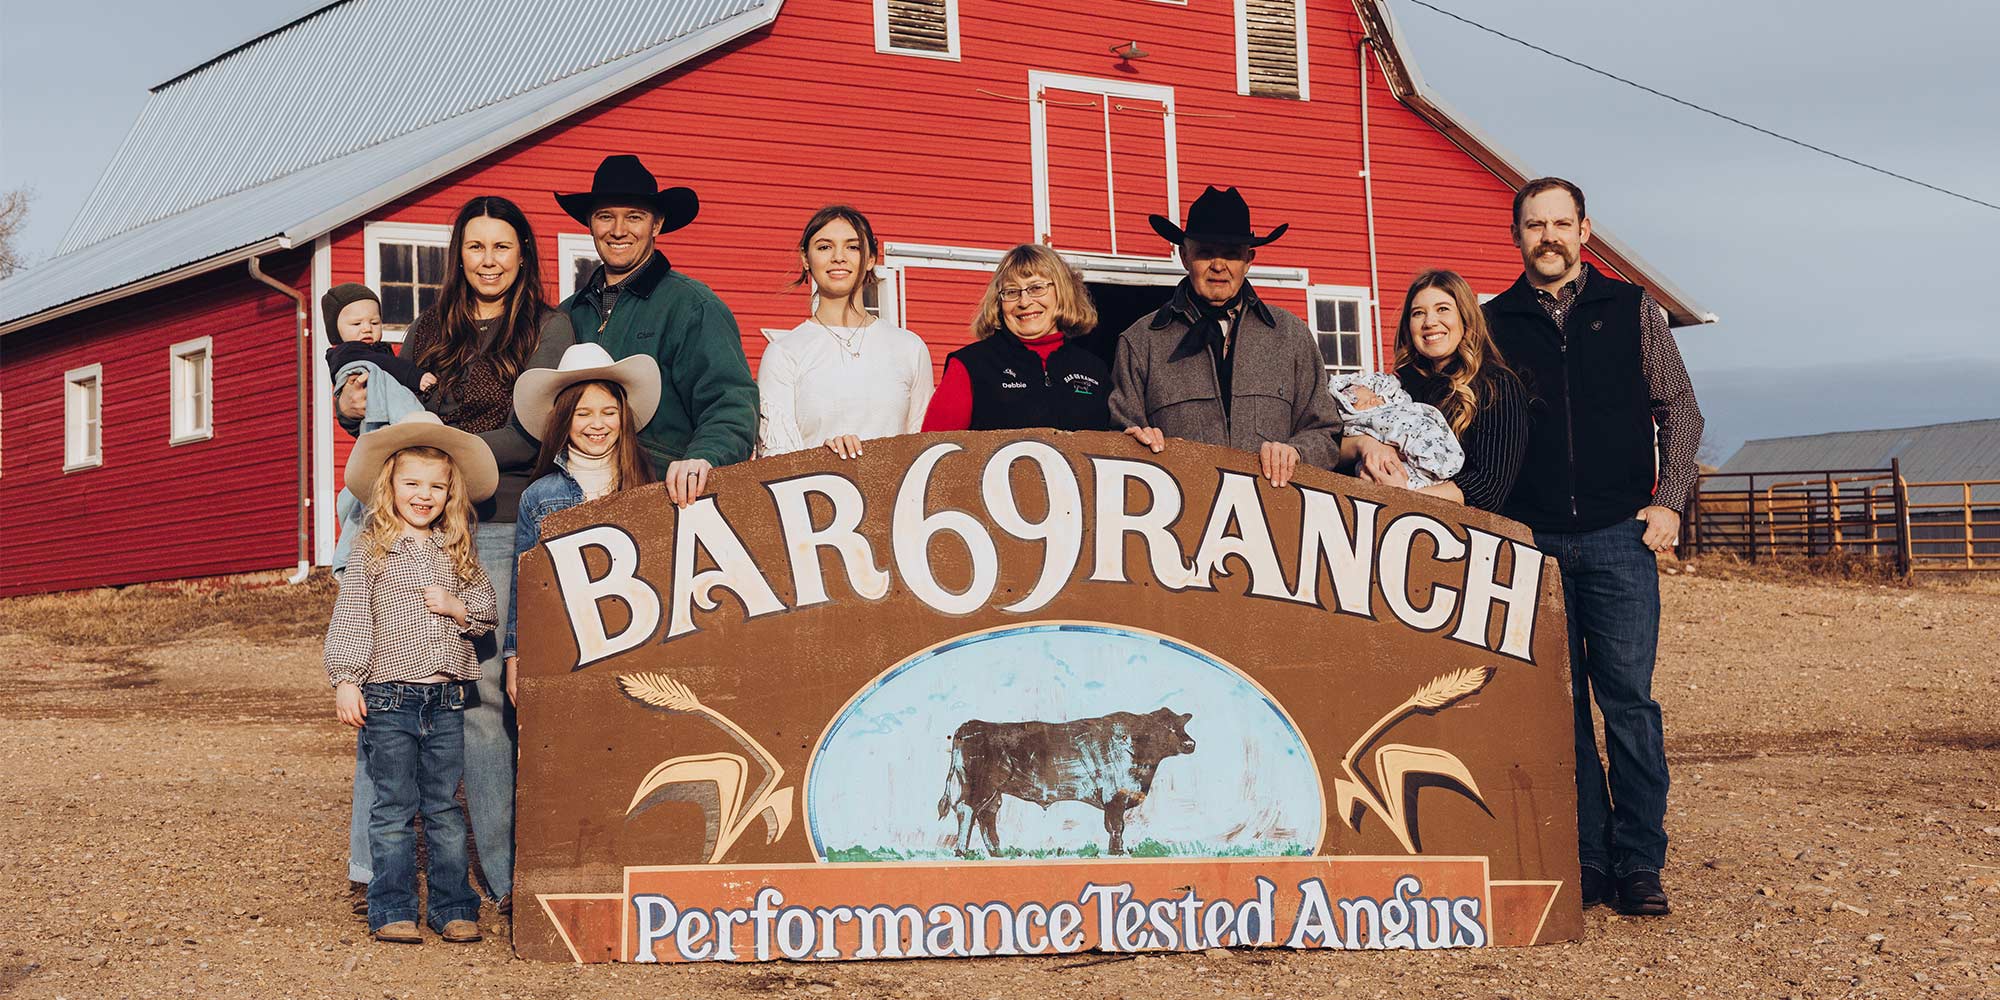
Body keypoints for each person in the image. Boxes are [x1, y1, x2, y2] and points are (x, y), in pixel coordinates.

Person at [333, 194, 571, 920]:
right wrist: (354, 398)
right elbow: (387, 412)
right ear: (458, 254)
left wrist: (450, 456)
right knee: (389, 681)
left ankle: (501, 877)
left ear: (522, 255)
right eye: (476, 247)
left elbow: (536, 430)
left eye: (503, 246)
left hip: (495, 520)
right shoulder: (430, 329)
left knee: (481, 699)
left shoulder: (546, 326)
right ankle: (375, 871)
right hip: (420, 524)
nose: (489, 259)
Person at [1483, 178, 1704, 917]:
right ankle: (1589, 859)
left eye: (1559, 224)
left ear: (1584, 230)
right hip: (1533, 541)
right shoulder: (1495, 322)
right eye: (1533, 225)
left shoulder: (1633, 309)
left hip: (1618, 536)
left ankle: (1642, 863)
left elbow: (1680, 408)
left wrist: (1669, 503)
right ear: (1516, 235)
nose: (1547, 237)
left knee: (1629, 706)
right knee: (1561, 709)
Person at [323, 411, 499, 945]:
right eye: (412, 484)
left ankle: (452, 907)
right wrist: (347, 679)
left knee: (444, 808)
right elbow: (352, 615)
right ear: (390, 487)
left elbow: (487, 609)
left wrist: (458, 607)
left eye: (436, 488)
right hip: (389, 697)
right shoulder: (373, 550)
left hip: (446, 699)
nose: (424, 496)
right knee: (394, 807)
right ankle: (391, 908)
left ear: (451, 495)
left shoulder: (457, 551)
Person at [555, 154, 757, 506]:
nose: (618, 230)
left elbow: (731, 405)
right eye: (606, 216)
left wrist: (703, 458)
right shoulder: (567, 315)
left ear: (656, 224)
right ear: (590, 223)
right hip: (575, 496)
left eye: (634, 217)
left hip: (664, 496)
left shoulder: (692, 306)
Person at [1109, 186, 1341, 488]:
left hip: (1276, 522)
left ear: (1249, 260)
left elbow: (1327, 433)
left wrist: (1297, 452)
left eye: (1231, 254)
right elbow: (1115, 444)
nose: (1218, 265)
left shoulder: (1292, 336)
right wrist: (1134, 442)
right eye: (1205, 252)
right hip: (1180, 525)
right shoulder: (1140, 342)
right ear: (1184, 256)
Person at [500, 343, 660, 703]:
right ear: (564, 419)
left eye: (609, 412)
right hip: (565, 638)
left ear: (624, 416)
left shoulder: (649, 485)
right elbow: (523, 587)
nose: (598, 425)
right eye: (583, 413)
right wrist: (515, 655)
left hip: (638, 639)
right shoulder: (539, 497)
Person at [1344, 269, 1530, 512]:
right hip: (1385, 523)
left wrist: (1403, 496)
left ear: (1465, 317)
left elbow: (1487, 490)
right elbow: (1335, 446)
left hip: (1460, 535)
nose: (1430, 322)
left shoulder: (1497, 385)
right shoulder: (1395, 388)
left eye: (1443, 309)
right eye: (1418, 313)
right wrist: (1367, 445)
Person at [759, 205, 933, 458]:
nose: (839, 257)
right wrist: (825, 460)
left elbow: (922, 445)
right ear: (806, 259)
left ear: (871, 258)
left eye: (853, 247)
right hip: (817, 493)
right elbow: (776, 461)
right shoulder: (784, 352)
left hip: (896, 495)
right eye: (824, 247)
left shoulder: (909, 347)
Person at [919, 244, 1111, 432]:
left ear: (1062, 292)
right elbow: (934, 451)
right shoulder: (969, 366)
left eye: (1036, 288)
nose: (1024, 302)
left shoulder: (1095, 369)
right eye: (1011, 292)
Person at [1328, 372, 1462, 488]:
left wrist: (1403, 496)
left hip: (1430, 492)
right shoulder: (1355, 422)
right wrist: (1365, 443)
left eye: (1375, 398)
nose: (1373, 402)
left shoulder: (1396, 396)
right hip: (1393, 479)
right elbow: (1328, 448)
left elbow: (1481, 485)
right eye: (1364, 403)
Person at [321, 283, 433, 395]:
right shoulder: (346, 353)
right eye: (356, 324)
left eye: (374, 323)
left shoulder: (377, 349)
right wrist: (415, 376)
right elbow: (383, 363)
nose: (367, 328)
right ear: (335, 330)